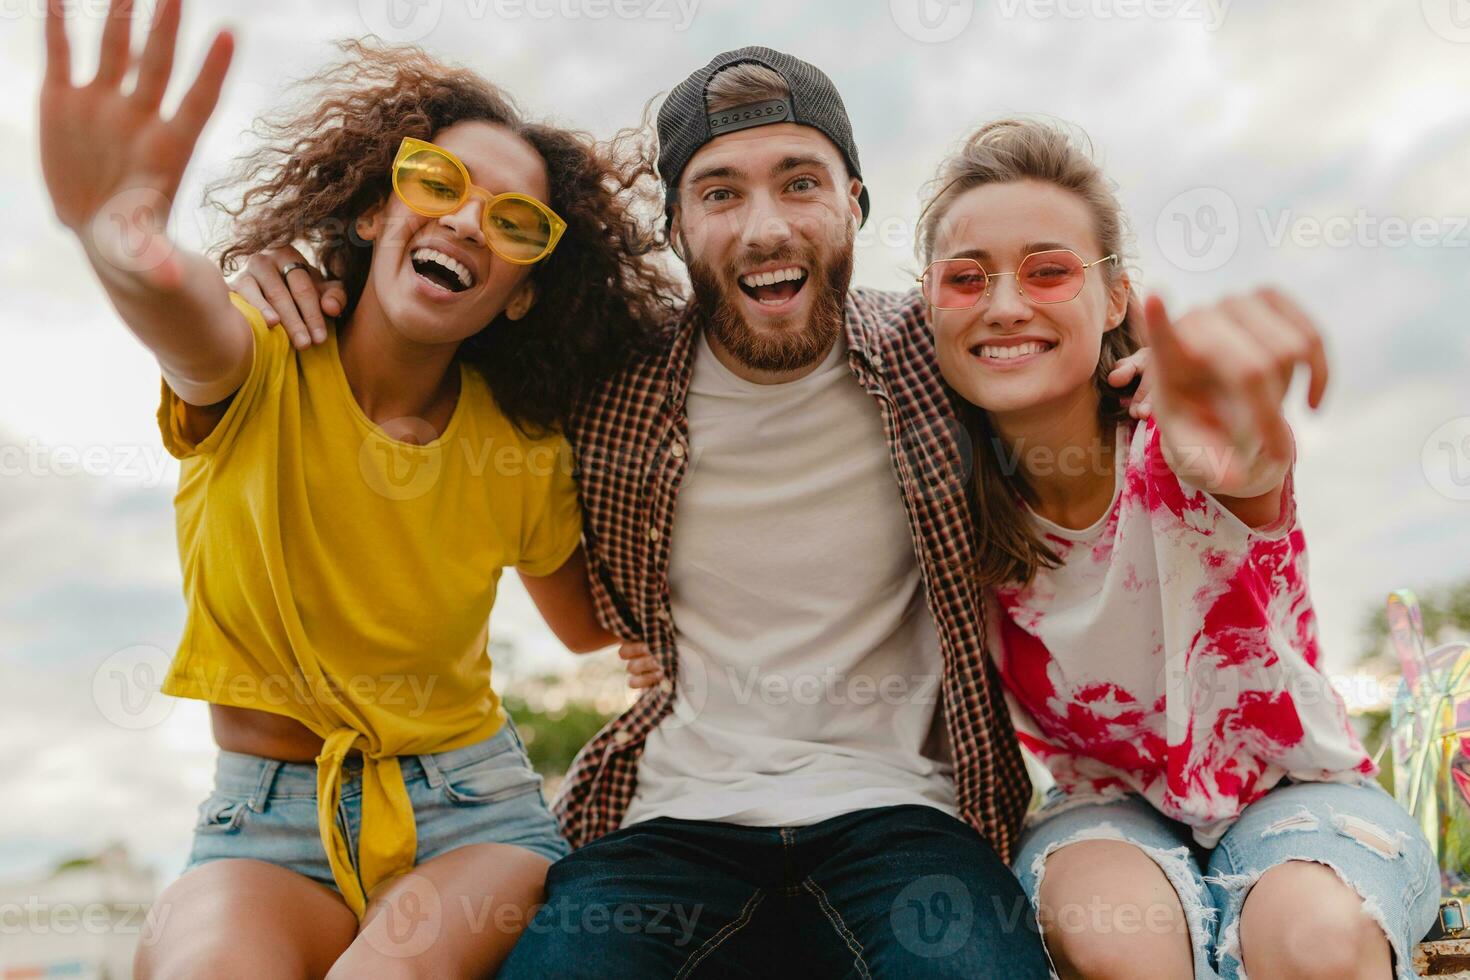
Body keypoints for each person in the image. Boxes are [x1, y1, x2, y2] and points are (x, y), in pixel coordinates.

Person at [37, 0, 678, 974]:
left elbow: (593, 624)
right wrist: (119, 240)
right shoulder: (260, 356)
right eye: (437, 181)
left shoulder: (522, 445)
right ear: (377, 208)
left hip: (475, 814)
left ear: (525, 289)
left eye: (514, 221)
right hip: (264, 820)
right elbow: (183, 317)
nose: (467, 218)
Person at [915, 117, 1439, 979]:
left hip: (1297, 788)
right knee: (1116, 942)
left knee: (1315, 944)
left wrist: (1239, 440)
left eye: (1048, 271)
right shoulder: (940, 497)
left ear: (1116, 298)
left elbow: (1250, 462)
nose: (1005, 305)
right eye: (966, 279)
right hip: (1104, 805)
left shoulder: (1183, 434)